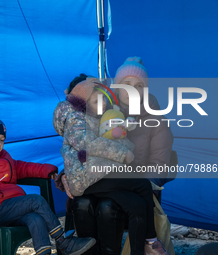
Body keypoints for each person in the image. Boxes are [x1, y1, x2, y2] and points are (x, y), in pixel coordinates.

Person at [54, 57, 173, 255]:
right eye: (126, 84)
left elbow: (159, 166)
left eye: (139, 85)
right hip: (100, 179)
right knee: (83, 204)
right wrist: (64, 175)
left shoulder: (157, 122)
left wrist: (132, 177)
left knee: (107, 206)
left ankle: (145, 245)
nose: (132, 90)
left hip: (127, 183)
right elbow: (79, 151)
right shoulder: (97, 112)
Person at [0, 115, 96, 255]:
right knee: (35, 200)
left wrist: (44, 170)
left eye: (2, 140)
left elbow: (18, 167)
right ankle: (63, 242)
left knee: (35, 219)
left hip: (8, 206)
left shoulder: (1, 155)